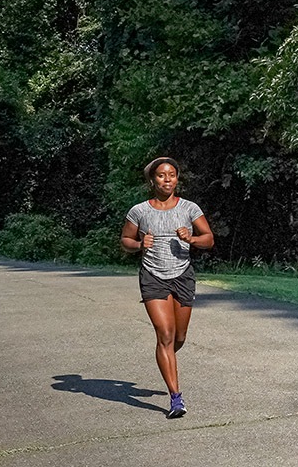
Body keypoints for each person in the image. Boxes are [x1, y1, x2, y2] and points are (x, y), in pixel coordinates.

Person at [120, 157, 214, 419]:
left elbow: (209, 239)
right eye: (162, 175)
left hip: (182, 276)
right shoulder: (139, 211)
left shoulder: (189, 208)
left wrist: (191, 238)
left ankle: (166, 358)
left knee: (178, 338)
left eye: (172, 175)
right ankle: (176, 398)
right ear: (153, 180)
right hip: (153, 277)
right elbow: (125, 241)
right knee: (165, 334)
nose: (167, 179)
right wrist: (140, 244)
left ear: (177, 178)